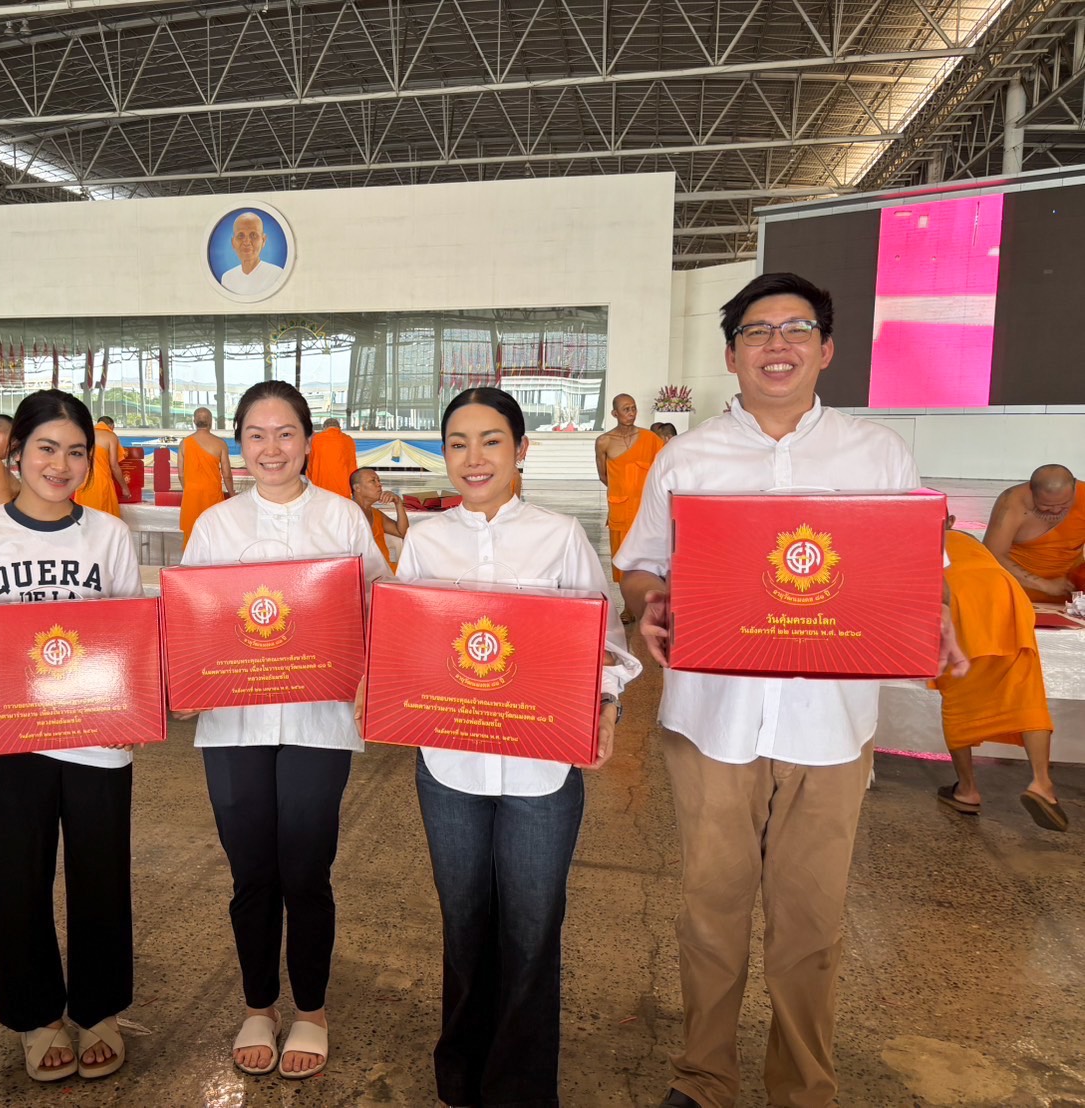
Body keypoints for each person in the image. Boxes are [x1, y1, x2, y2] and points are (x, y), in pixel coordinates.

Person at [616, 272, 967, 1108]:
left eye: (797, 329)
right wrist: (646, 609)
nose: (778, 344)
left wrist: (933, 618)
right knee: (711, 912)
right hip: (711, 719)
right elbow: (638, 566)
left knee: (810, 923)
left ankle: (803, 1086)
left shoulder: (875, 455)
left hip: (830, 724)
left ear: (826, 349)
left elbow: (921, 569)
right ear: (730, 354)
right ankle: (704, 1079)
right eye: (758, 332)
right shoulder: (688, 456)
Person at [386, 387, 639, 1108]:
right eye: (458, 442)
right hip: (450, 766)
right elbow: (409, 643)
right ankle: (461, 1080)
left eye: (491, 440)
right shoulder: (426, 541)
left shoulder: (558, 536)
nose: (474, 458)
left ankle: (521, 1091)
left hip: (540, 769)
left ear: (521, 450)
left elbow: (605, 645)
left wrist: (607, 703)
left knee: (531, 932)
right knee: (464, 923)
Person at [181, 380, 390, 1080]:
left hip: (319, 721)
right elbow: (191, 623)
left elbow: (378, 607)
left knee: (305, 868)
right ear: (238, 444)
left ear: (306, 440)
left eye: (284, 433)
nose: (271, 449)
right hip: (232, 724)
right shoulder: (215, 526)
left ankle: (311, 1008)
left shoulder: (342, 520)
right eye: (255, 435)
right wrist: (181, 683)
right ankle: (258, 1003)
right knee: (250, 873)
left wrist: (371, 677)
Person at [0, 390, 143, 1083]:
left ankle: (98, 1009)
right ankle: (35, 1016)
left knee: (100, 877)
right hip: (13, 741)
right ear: (15, 451)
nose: (61, 464)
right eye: (46, 448)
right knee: (19, 881)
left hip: (97, 738)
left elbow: (129, 639)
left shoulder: (108, 536)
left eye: (75, 451)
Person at [934, 519, 1066, 831]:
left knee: (958, 696)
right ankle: (1042, 783)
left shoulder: (916, 537)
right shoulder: (965, 540)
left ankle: (967, 790)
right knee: (1025, 690)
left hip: (959, 597)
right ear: (950, 522)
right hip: (1006, 595)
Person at [982, 464, 1085, 602]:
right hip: (1017, 591)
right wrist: (1045, 585)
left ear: (1074, 489)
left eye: (1064, 504)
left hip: (1071, 591)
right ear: (1031, 491)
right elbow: (993, 554)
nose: (1055, 511)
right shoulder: (1012, 503)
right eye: (1046, 505)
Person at [596, 393, 662, 585]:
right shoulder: (604, 441)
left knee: (646, 555)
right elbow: (603, 475)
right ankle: (627, 602)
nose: (631, 413)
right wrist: (622, 488)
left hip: (646, 510)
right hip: (620, 508)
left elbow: (662, 469)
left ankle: (641, 594)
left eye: (633, 408)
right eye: (626, 409)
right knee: (621, 553)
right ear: (614, 413)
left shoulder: (650, 438)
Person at [179, 406, 235, 550]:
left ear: (194, 421)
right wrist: (233, 494)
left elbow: (180, 474)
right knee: (213, 532)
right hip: (212, 494)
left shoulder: (185, 443)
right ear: (211, 422)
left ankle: (190, 566)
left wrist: (189, 489)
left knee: (191, 534)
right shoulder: (220, 443)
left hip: (191, 495)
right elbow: (227, 475)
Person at [348, 467, 408, 571]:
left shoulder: (376, 514)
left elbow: (402, 532)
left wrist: (398, 502)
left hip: (385, 572)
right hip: (358, 572)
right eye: (373, 481)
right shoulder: (346, 511)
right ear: (357, 488)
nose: (379, 485)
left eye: (378, 480)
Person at [220, 211, 285, 296]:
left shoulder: (276, 275)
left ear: (263, 240)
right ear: (233, 243)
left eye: (253, 235)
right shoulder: (227, 278)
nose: (247, 242)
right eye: (241, 236)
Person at [74, 415, 124, 518]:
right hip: (101, 482)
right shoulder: (110, 436)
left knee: (84, 516)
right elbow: (114, 465)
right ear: (111, 426)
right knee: (103, 517)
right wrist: (124, 487)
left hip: (82, 482)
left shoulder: (83, 434)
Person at [305, 417, 357, 499]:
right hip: (343, 490)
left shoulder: (315, 440)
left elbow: (309, 465)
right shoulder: (348, 440)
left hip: (320, 488)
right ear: (339, 428)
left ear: (324, 428)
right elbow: (352, 465)